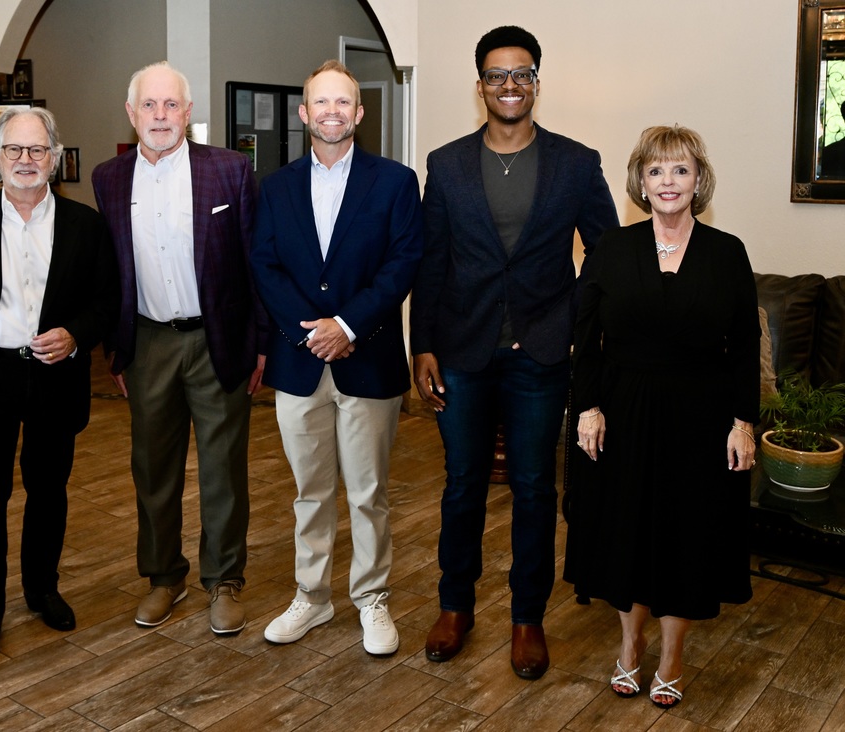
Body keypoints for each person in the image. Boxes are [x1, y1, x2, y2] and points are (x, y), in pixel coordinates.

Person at [410, 25, 619, 677]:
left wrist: (572, 319)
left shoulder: (576, 163)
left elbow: (606, 251)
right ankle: (455, 606)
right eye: (497, 75)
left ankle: (527, 618)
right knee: (463, 485)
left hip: (542, 357)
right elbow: (432, 261)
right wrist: (422, 346)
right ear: (480, 85)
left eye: (521, 74)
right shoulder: (444, 165)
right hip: (463, 351)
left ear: (535, 83)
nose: (509, 85)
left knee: (533, 488)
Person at [564, 125, 758, 709]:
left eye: (680, 171)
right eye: (656, 171)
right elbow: (586, 336)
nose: (668, 182)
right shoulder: (612, 250)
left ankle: (671, 656)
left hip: (702, 418)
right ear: (640, 182)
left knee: (685, 537)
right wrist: (589, 406)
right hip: (623, 412)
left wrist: (742, 422)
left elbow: (745, 345)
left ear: (699, 181)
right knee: (627, 532)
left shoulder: (727, 252)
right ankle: (630, 644)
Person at [0, 107, 119, 666]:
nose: (26, 161)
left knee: (49, 490)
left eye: (38, 151)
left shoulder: (86, 226)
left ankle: (42, 590)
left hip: (55, 373)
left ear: (55, 159)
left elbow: (106, 301)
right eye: (15, 150)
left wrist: (76, 336)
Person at [251, 60, 423, 655]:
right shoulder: (273, 187)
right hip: (299, 364)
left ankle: (372, 600)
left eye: (342, 103)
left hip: (369, 360)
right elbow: (264, 266)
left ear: (360, 112)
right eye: (320, 103)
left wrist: (346, 325)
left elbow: (402, 263)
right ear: (303, 114)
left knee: (368, 491)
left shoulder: (396, 182)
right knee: (309, 491)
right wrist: (312, 332)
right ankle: (313, 598)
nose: (331, 112)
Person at [91, 62, 267, 635]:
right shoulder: (108, 178)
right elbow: (109, 273)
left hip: (216, 340)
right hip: (146, 343)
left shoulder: (230, 170)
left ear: (188, 113)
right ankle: (163, 576)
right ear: (131, 113)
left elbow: (255, 263)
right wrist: (116, 349)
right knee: (153, 470)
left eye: (171, 106)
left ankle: (224, 580)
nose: (161, 116)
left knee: (223, 469)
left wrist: (260, 343)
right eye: (150, 106)